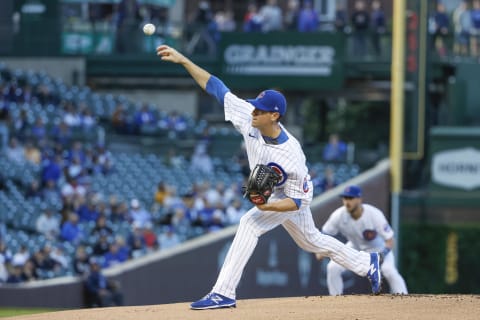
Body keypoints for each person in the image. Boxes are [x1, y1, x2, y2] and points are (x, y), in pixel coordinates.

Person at [156, 44, 382, 310]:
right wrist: (184, 60)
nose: (253, 112)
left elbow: (296, 203)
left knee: (249, 223)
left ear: (274, 115)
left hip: (294, 195)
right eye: (254, 107)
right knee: (311, 240)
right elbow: (216, 86)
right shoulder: (249, 118)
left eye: (260, 110)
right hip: (277, 191)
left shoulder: (291, 156)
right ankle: (367, 263)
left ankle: (223, 292)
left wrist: (268, 206)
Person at [316, 185, 408, 295]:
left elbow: (390, 240)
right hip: (354, 247)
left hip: (378, 249)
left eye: (350, 198)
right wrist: (320, 250)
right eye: (345, 198)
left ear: (359, 199)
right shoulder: (339, 215)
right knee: (332, 267)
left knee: (389, 271)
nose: (347, 202)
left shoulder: (373, 214)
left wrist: (382, 254)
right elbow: (324, 233)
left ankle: (404, 297)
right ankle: (335, 299)